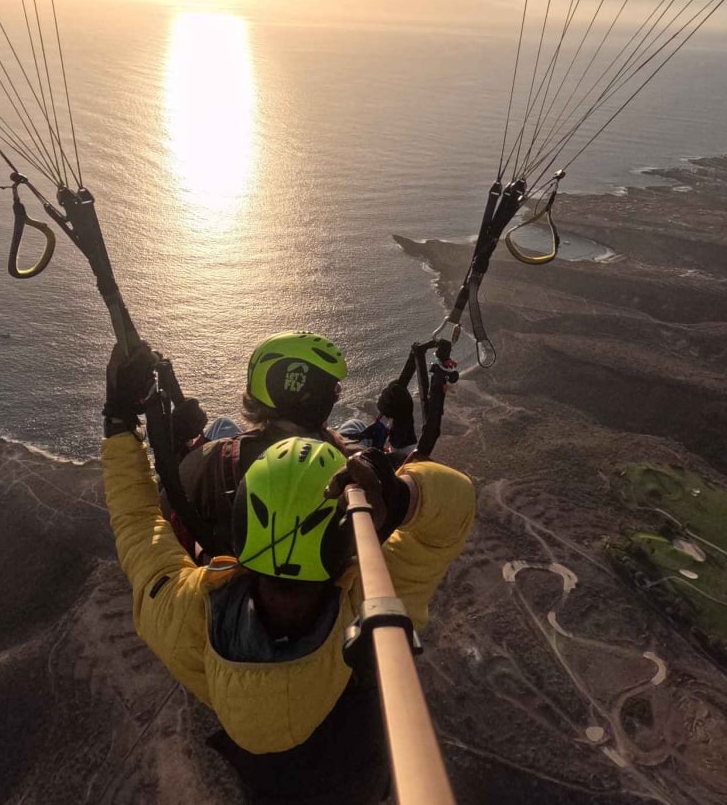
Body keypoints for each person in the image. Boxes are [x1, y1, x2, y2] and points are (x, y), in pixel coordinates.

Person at [102, 346, 476, 805]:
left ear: (240, 533)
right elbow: (453, 506)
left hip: (268, 781)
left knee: (220, 431)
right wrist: (402, 494)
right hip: (359, 778)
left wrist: (123, 422)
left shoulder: (185, 613)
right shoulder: (375, 593)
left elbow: (139, 524)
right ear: (348, 544)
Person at [168, 331, 350, 559]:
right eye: (334, 390)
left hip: (230, 581)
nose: (336, 396)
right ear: (307, 397)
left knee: (223, 425)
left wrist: (175, 446)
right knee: (353, 425)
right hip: (320, 580)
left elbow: (165, 504)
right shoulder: (339, 455)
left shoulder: (214, 459)